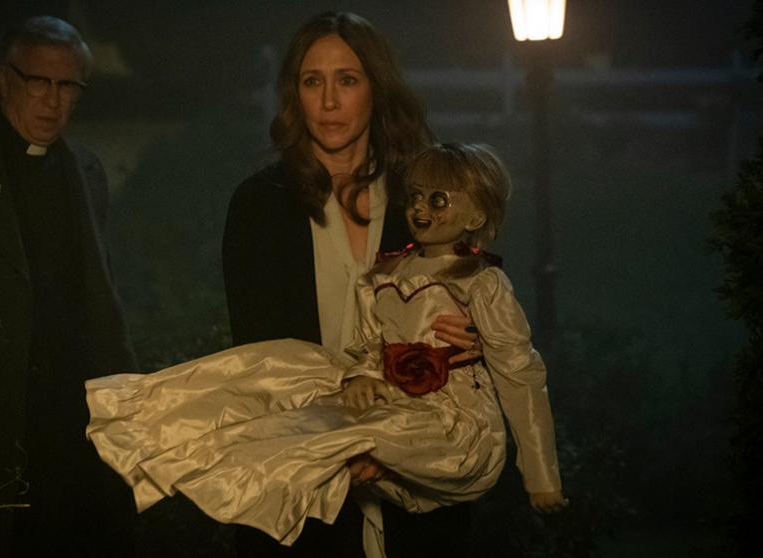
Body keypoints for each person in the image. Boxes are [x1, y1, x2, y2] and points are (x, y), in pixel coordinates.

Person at [86, 143, 566, 558]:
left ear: (476, 216)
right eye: (416, 196)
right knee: (293, 365)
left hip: (454, 425)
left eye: (437, 200)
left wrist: (541, 474)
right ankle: (169, 428)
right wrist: (363, 374)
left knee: (352, 430)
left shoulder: (481, 284)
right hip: (397, 406)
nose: (421, 208)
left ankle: (342, 455)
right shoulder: (386, 275)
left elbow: (519, 372)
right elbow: (368, 343)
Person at [221, 12, 478, 556]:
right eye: (312, 81)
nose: (329, 100)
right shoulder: (260, 204)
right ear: (294, 95)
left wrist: (472, 340)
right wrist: (347, 439)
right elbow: (262, 353)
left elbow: (466, 320)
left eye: (347, 79)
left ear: (376, 88)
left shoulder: (426, 197)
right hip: (300, 471)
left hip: (416, 472)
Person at [0, 15, 137, 557]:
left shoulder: (86, 170)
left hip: (72, 422)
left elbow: (99, 294)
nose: (53, 100)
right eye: (39, 82)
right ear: (6, 79)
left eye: (68, 85)